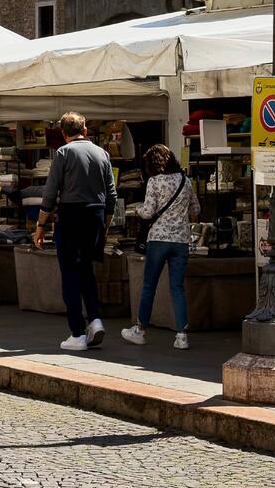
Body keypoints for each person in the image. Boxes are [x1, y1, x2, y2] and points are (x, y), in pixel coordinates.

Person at [34, 111, 117, 352]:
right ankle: (95, 319)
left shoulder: (63, 153)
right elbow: (111, 193)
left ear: (63, 133)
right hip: (96, 214)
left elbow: (50, 192)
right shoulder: (102, 153)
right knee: (86, 270)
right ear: (85, 130)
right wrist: (105, 223)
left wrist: (40, 225)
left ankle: (77, 332)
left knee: (70, 273)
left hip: (71, 214)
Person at [122, 145, 200, 351]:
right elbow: (196, 209)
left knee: (149, 286)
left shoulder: (154, 181)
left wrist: (137, 210)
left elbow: (148, 212)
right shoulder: (185, 181)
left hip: (158, 239)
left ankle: (140, 331)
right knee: (177, 287)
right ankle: (182, 335)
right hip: (181, 240)